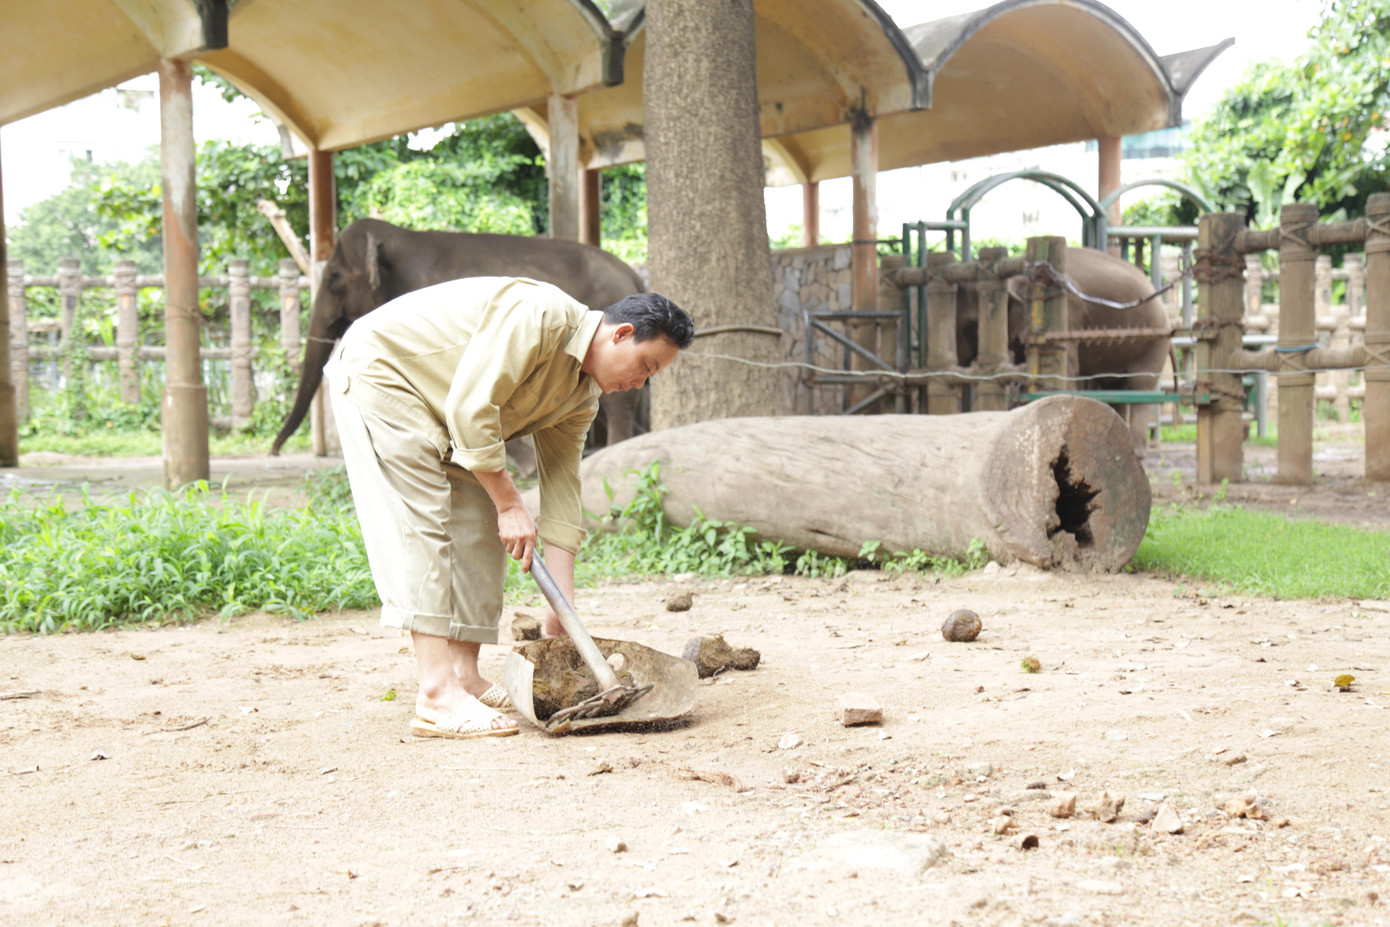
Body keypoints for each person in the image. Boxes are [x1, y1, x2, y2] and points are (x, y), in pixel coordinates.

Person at [323, 276, 694, 739]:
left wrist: (563, 599)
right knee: (426, 525)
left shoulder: (582, 396)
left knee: (480, 525)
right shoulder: (540, 315)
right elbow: (472, 408)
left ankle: (465, 676)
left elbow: (562, 485)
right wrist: (510, 502)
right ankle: (436, 696)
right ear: (620, 334)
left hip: (448, 410)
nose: (639, 382)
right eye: (644, 366)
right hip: (385, 377)